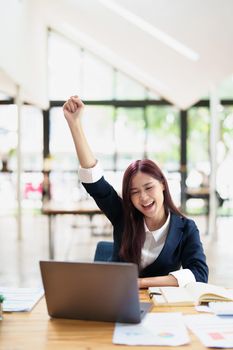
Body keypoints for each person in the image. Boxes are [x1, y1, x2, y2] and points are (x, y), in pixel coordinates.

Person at [63, 95, 208, 289]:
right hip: (115, 300)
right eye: (134, 192)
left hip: (160, 309)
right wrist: (75, 124)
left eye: (149, 187)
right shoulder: (123, 215)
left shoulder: (186, 228)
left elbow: (199, 274)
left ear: (163, 185)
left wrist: (140, 283)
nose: (144, 197)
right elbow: (94, 181)